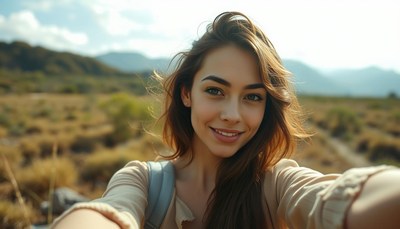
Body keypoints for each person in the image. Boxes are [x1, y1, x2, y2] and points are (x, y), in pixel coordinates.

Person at [52, 11, 400, 229]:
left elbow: (332, 199)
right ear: (187, 93)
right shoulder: (143, 182)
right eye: (216, 91)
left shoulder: (275, 185)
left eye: (252, 97)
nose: (233, 115)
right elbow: (106, 214)